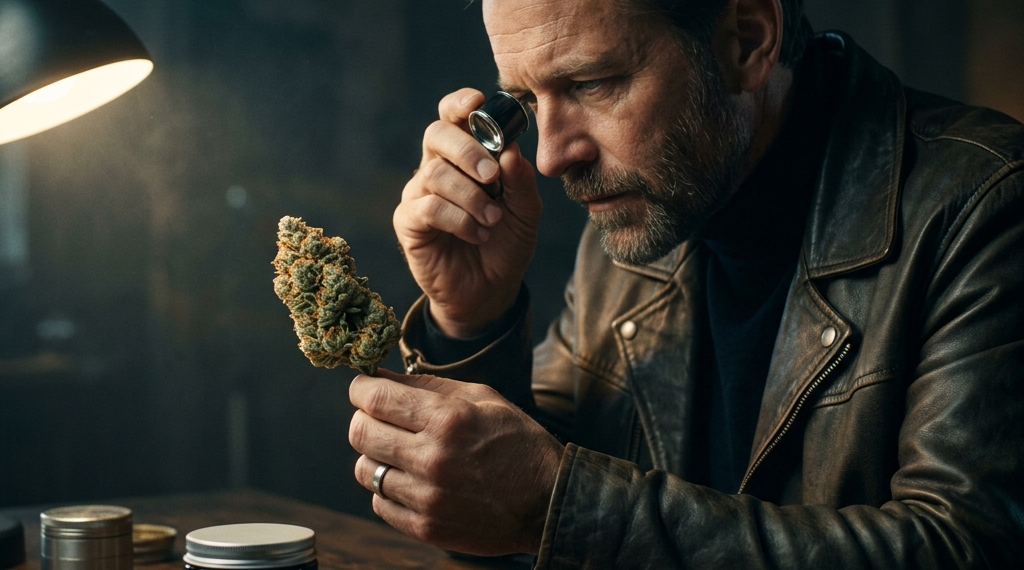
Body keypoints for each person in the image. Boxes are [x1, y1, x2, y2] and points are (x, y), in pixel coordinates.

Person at [347, 0, 1024, 566]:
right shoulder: (645, 213)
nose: (551, 157)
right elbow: (509, 502)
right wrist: (473, 320)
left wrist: (561, 507)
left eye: (592, 84)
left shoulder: (984, 206)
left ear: (747, 41)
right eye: (524, 100)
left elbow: (965, 547)